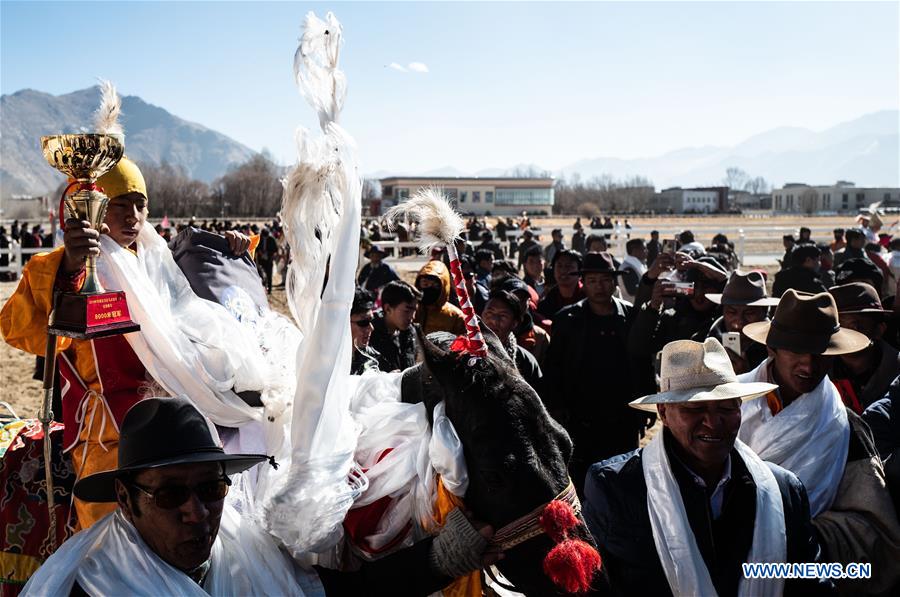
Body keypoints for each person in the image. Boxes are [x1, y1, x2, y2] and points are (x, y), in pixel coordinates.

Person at [0, 157, 254, 529]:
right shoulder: (60, 265)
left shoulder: (157, 263)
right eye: (119, 204)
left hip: (171, 428)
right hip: (105, 440)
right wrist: (70, 268)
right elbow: (18, 330)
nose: (133, 215)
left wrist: (232, 248)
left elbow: (207, 305)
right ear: (91, 206)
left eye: (140, 203)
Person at [23, 397, 493, 597]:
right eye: (170, 496)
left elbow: (340, 593)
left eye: (210, 489)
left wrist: (445, 556)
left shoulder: (242, 547)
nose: (197, 513)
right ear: (126, 501)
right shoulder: (90, 584)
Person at [584, 339, 828, 597]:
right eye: (695, 408)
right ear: (664, 412)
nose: (713, 422)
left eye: (726, 407)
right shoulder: (615, 487)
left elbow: (808, 583)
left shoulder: (783, 490)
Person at [738, 290, 900, 594]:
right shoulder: (729, 405)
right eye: (796, 352)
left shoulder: (845, 428)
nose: (809, 366)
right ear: (772, 348)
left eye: (820, 355)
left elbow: (876, 530)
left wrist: (806, 538)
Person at [543, 252, 644, 490]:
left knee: (626, 477)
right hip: (582, 417)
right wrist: (556, 409)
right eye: (592, 281)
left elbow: (641, 362)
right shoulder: (567, 319)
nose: (599, 286)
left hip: (623, 414)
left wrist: (643, 403)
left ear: (613, 282)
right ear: (584, 283)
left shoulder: (629, 316)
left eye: (605, 280)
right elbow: (554, 368)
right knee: (584, 479)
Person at [628, 253, 727, 359]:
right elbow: (638, 347)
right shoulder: (673, 318)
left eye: (707, 287)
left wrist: (722, 278)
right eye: (693, 287)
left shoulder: (726, 319)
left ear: (719, 289)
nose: (699, 293)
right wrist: (652, 308)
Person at [828, 282, 900, 414]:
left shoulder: (896, 370)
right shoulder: (819, 371)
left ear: (879, 330)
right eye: (842, 325)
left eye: (857, 325)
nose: (849, 333)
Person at [703, 270, 779, 374]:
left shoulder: (778, 350)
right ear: (723, 312)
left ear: (764, 312)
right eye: (732, 312)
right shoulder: (705, 343)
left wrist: (746, 376)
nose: (739, 322)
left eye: (749, 313)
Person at [481, 290, 543, 392]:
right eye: (489, 313)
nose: (494, 320)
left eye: (503, 316)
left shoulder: (526, 362)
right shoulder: (463, 353)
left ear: (514, 323)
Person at [369, 281, 420, 373]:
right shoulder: (369, 333)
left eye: (414, 311)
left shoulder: (409, 333)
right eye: (407, 311)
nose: (412, 317)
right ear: (388, 308)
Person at [414, 259, 466, 336]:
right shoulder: (411, 310)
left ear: (443, 288)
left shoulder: (455, 316)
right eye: (425, 283)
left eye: (435, 285)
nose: (429, 288)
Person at [536, 249, 585, 319]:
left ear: (579, 271)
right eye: (559, 266)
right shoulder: (547, 303)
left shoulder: (590, 298)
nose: (563, 270)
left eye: (568, 266)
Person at [350, 287, 380, 375]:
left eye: (371, 321)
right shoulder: (326, 363)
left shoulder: (371, 356)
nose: (371, 328)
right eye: (363, 322)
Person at [617, 238, 647, 304]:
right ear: (635, 251)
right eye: (644, 248)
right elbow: (632, 290)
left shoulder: (635, 264)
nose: (647, 251)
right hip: (632, 308)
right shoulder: (627, 268)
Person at [255, 228, 279, 294]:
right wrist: (260, 252)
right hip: (261, 260)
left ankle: (269, 290)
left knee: (269, 275)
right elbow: (256, 248)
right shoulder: (259, 238)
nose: (265, 237)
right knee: (262, 275)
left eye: (266, 236)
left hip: (269, 260)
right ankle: (263, 288)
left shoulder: (272, 239)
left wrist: (272, 257)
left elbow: (276, 250)